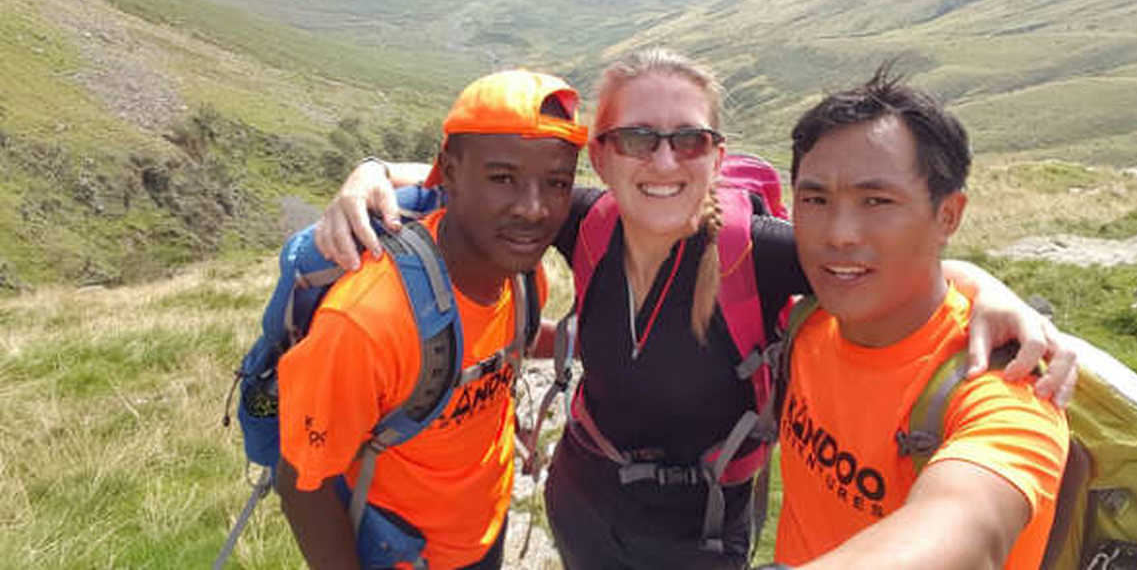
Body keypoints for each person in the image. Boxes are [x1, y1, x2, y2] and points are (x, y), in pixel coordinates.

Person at [318, 49, 1076, 568]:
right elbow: (481, 178)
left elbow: (881, 262)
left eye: (689, 140)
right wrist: (369, 173)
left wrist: (982, 282)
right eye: (638, 139)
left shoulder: (766, 252)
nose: (664, 161)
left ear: (718, 155)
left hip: (703, 535)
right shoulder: (581, 217)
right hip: (581, 499)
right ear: (603, 156)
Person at [274, 70, 588, 570]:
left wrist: (593, 342)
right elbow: (301, 482)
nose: (534, 209)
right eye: (502, 178)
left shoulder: (522, 277)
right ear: (450, 173)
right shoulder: (365, 324)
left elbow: (503, 342)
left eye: (556, 183)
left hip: (484, 529)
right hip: (404, 555)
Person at [769, 67, 1069, 568]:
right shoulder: (813, 316)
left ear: (948, 215)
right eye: (815, 199)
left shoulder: (1006, 392)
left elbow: (966, 520)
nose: (839, 234)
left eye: (877, 201)